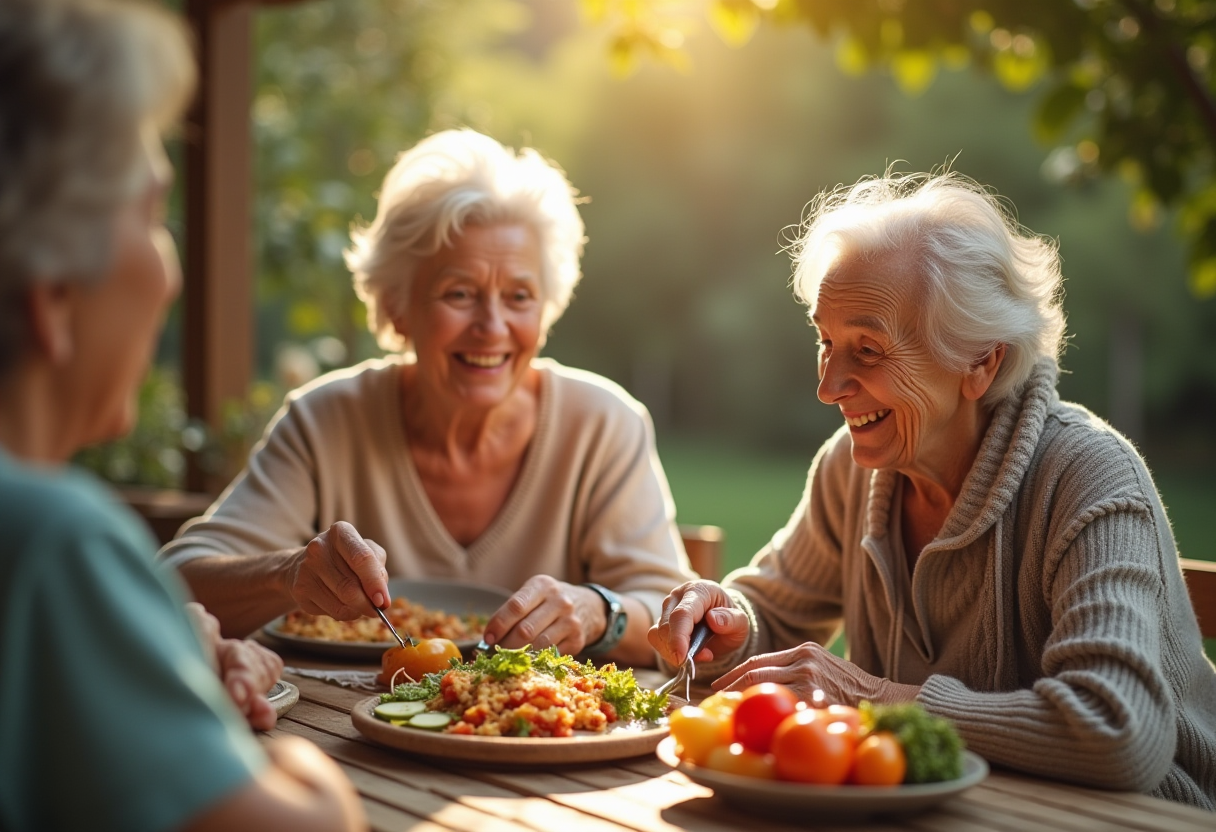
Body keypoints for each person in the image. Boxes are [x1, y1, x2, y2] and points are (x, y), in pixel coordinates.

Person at [648, 171, 1216, 808]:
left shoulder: (1088, 476)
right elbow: (774, 612)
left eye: (868, 349)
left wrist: (876, 700)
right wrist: (727, 622)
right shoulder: (853, 467)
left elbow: (1118, 730)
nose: (828, 386)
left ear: (981, 361)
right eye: (825, 342)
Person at [0, 1, 366, 829]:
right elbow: (308, 823)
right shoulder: (52, 539)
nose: (171, 275)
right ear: (54, 295)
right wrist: (271, 746)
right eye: (152, 217)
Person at [158, 129, 692, 667]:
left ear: (546, 308)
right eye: (459, 293)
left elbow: (676, 623)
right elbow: (173, 583)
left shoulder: (603, 424)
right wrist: (286, 575)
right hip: (339, 728)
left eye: (519, 297)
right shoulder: (325, 421)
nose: (492, 326)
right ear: (396, 307)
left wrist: (600, 611)